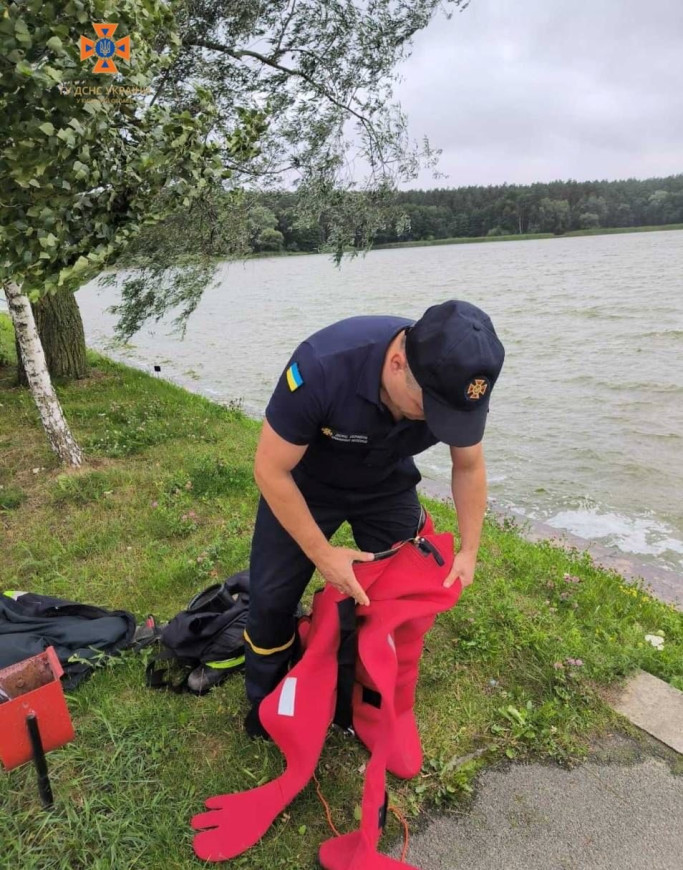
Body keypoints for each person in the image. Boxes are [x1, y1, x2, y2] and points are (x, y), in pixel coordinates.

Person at [242, 299, 505, 737]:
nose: (437, 422)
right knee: (271, 598)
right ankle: (268, 704)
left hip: (385, 480)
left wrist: (470, 549)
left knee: (403, 588)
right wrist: (324, 556)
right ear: (398, 363)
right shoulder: (322, 365)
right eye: (430, 408)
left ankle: (369, 698)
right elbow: (270, 468)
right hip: (307, 483)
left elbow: (469, 466)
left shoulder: (455, 381)